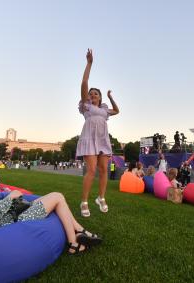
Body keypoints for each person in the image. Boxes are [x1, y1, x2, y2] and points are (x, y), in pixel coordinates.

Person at [0, 132, 101, 255]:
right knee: (57, 196)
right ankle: (75, 241)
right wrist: (10, 197)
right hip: (4, 225)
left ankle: (77, 235)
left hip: (6, 218)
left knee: (57, 198)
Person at [76, 49, 120, 217]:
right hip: (89, 138)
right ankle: (84, 201)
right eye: (91, 93)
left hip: (102, 140)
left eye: (96, 93)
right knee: (92, 170)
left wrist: (110, 97)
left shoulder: (104, 110)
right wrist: (89, 64)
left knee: (103, 170)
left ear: (100, 98)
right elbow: (84, 83)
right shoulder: (86, 106)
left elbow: (117, 110)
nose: (92, 94)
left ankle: (101, 197)